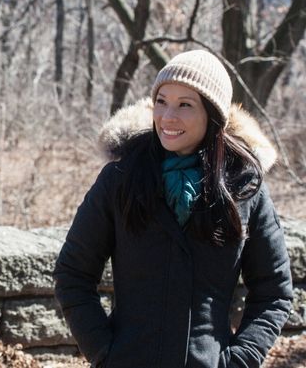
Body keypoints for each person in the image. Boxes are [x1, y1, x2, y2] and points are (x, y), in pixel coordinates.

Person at [54, 50, 293, 368]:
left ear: (213, 115)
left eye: (185, 105)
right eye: (161, 101)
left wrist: (239, 360)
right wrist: (104, 352)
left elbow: (274, 292)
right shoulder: (121, 178)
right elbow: (73, 273)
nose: (168, 116)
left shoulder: (244, 187)